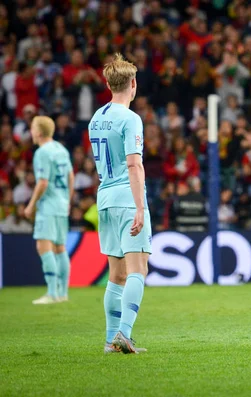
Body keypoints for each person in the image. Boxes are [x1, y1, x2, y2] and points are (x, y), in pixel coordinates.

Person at [89, 53, 151, 354]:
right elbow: (133, 165)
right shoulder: (130, 118)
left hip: (105, 200)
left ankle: (110, 340)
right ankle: (124, 335)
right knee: (138, 270)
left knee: (117, 274)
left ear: (108, 83)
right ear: (133, 84)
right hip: (127, 198)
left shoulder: (96, 118)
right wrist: (140, 207)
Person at [24, 116, 74, 305]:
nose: (31, 132)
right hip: (62, 205)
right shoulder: (61, 149)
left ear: (38, 132)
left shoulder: (42, 152)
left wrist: (31, 205)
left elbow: (43, 182)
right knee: (60, 247)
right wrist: (67, 201)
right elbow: (71, 176)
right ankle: (63, 293)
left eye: (33, 128)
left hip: (49, 205)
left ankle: (52, 293)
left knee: (43, 247)